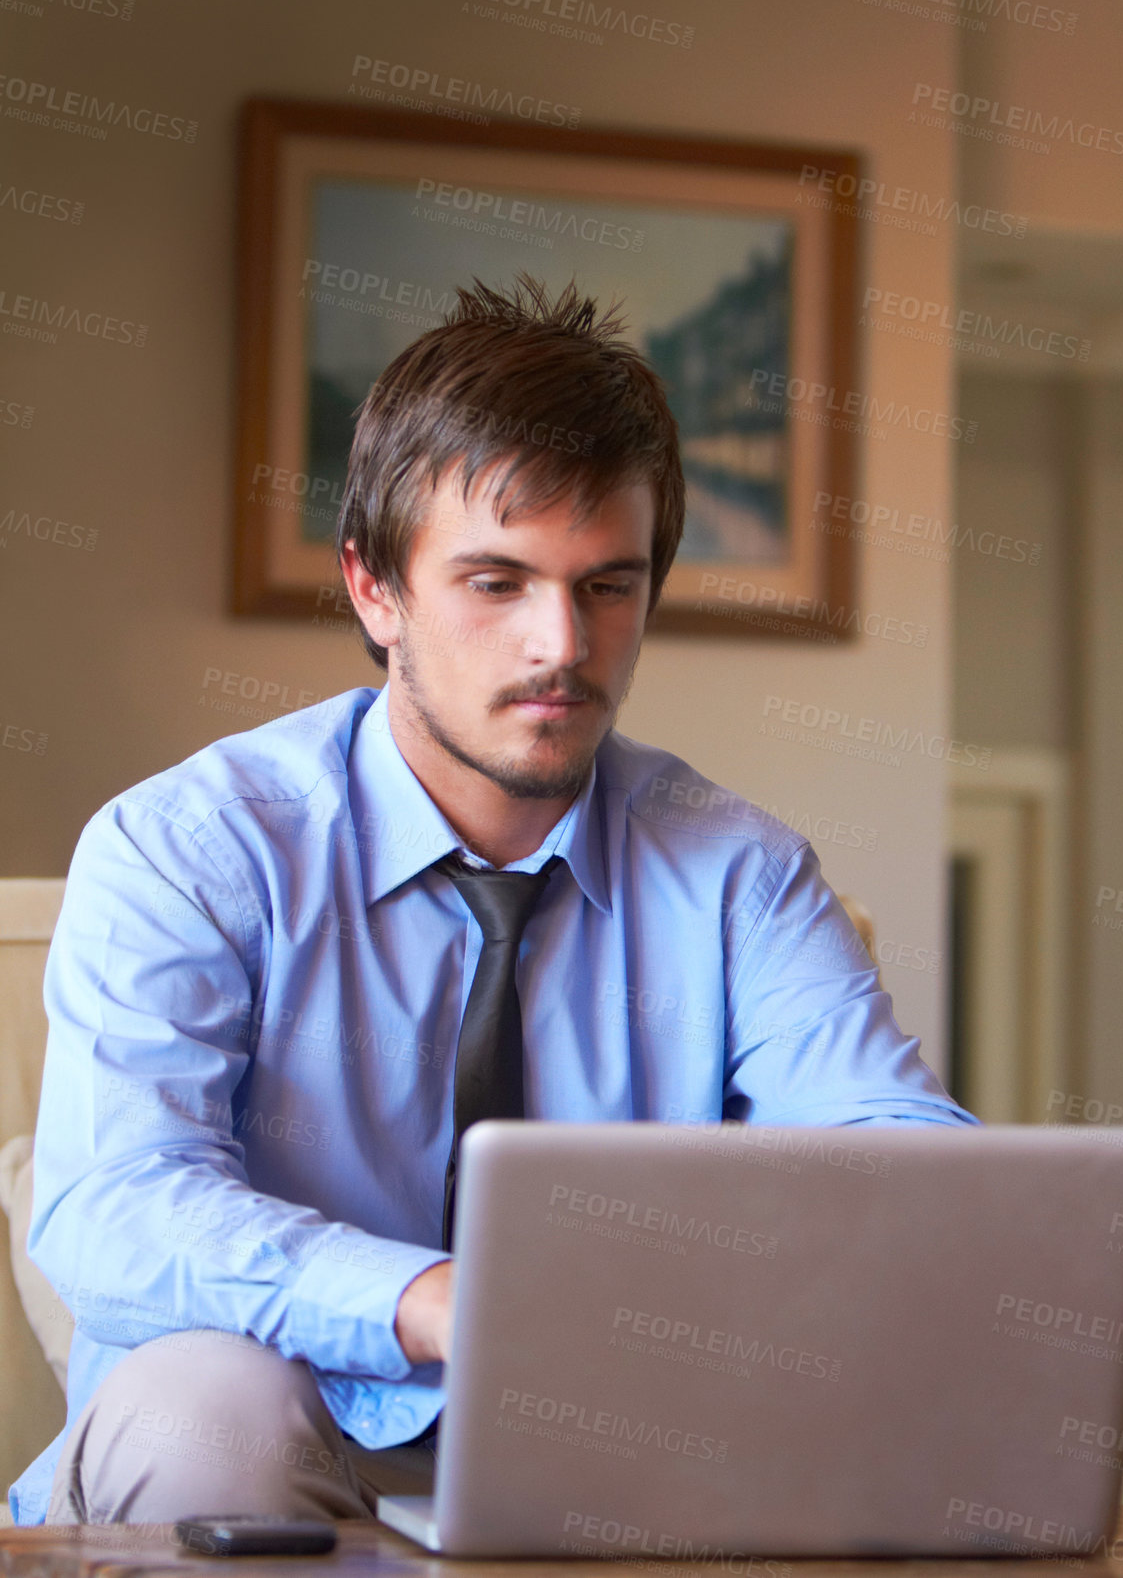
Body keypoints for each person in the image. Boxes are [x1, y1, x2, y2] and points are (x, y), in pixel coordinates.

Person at [12, 276, 975, 1527]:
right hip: (282, 1431)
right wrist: (441, 1300)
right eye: (495, 582)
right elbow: (118, 1207)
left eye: (606, 585)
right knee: (216, 1401)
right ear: (374, 589)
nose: (558, 646)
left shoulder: (740, 872)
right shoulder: (188, 848)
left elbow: (905, 1174)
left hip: (617, 1439)